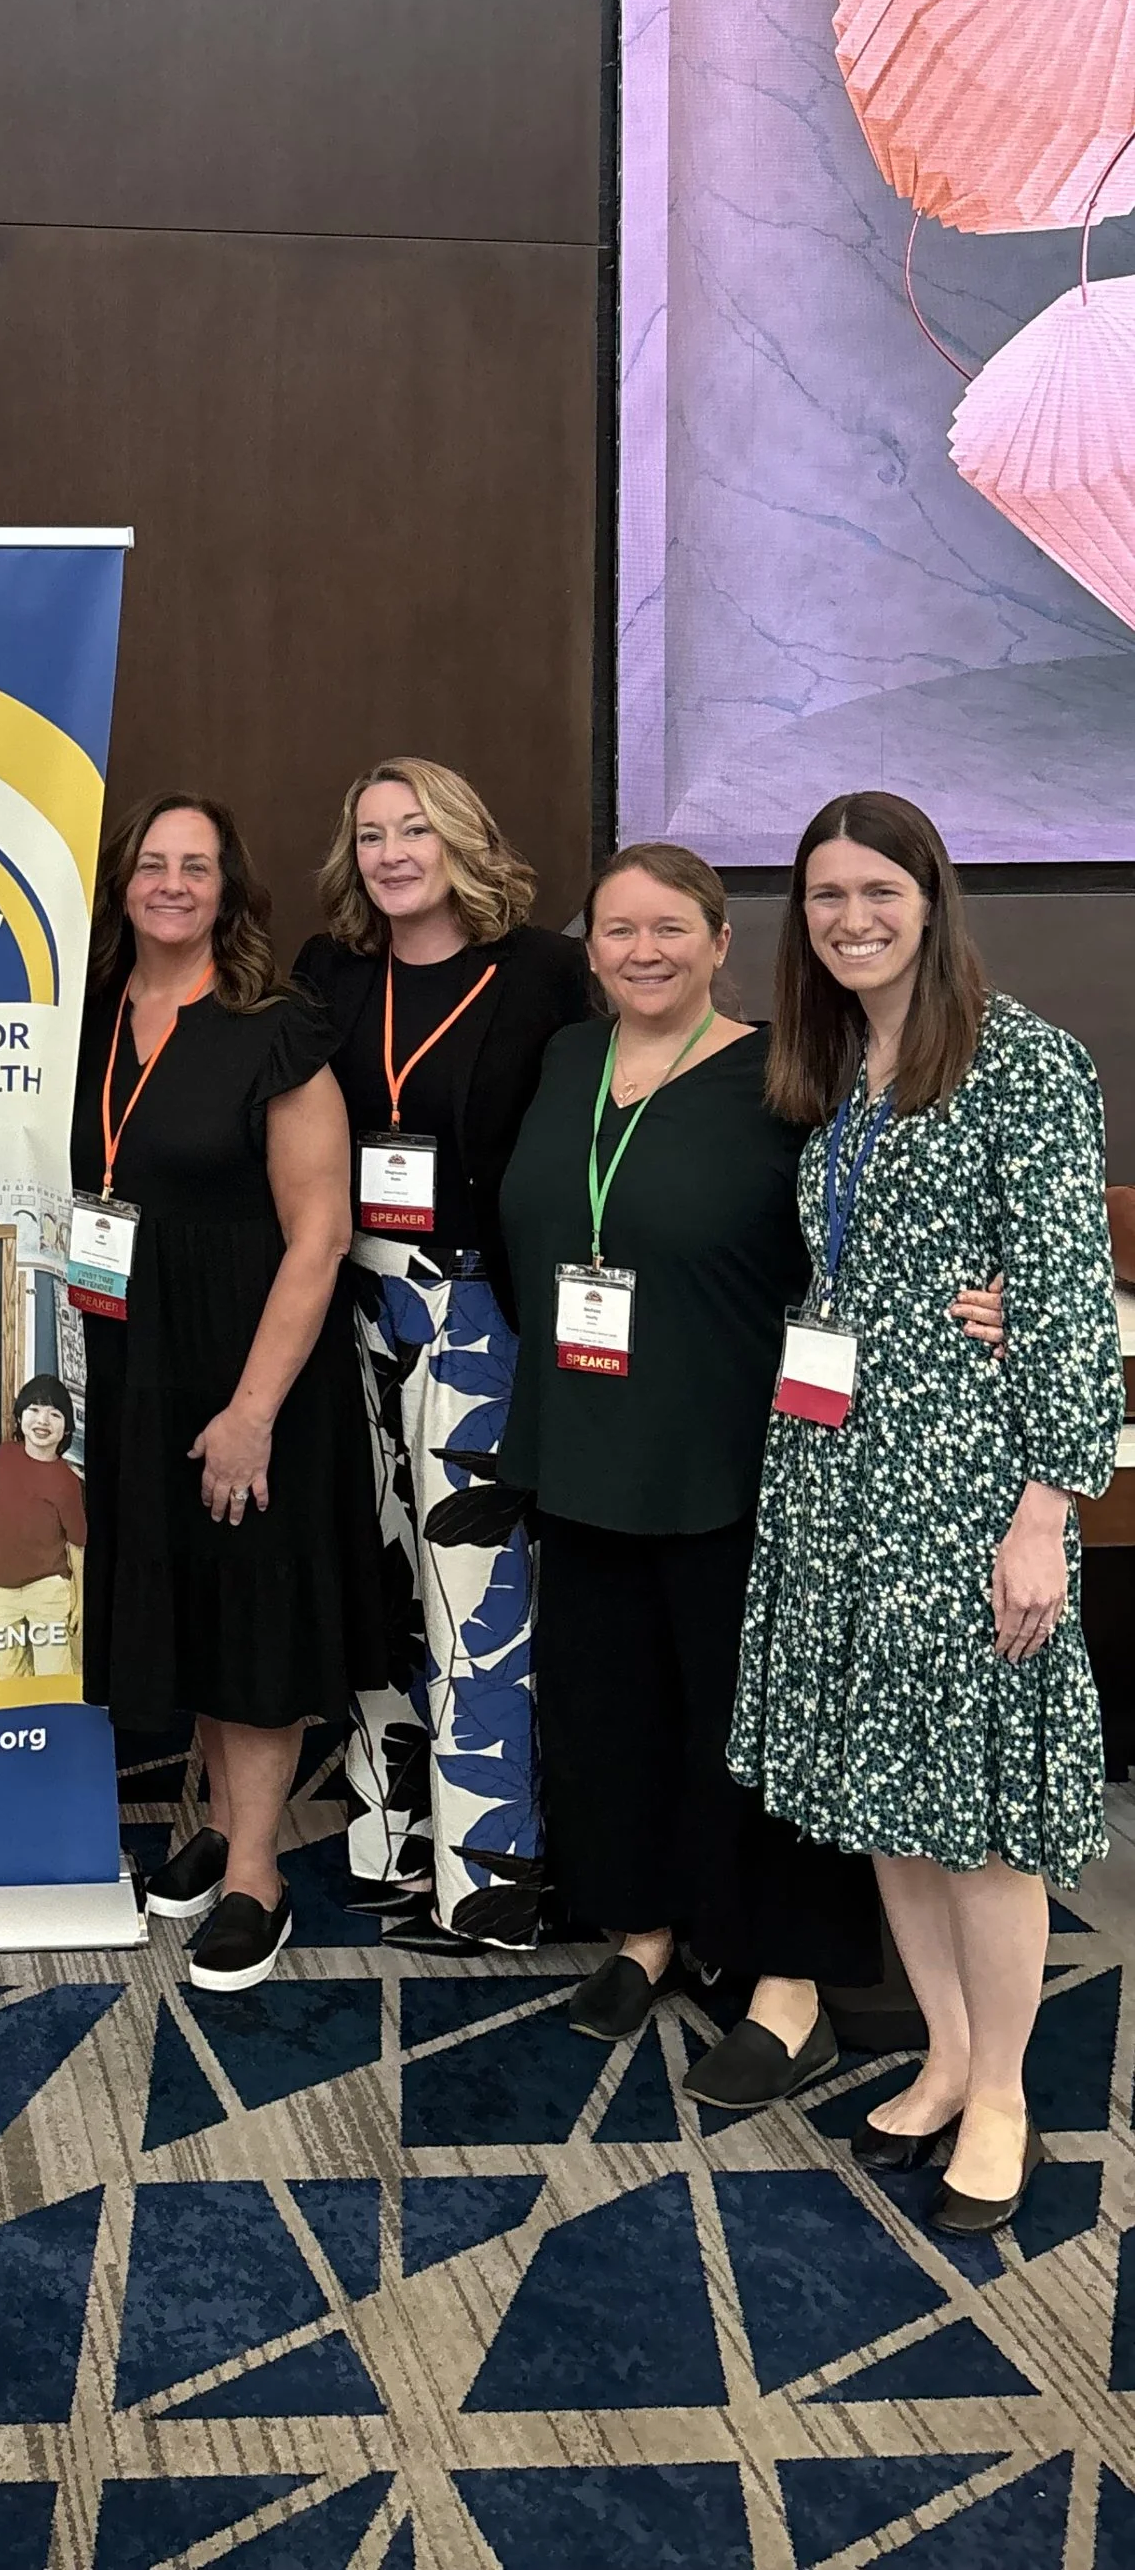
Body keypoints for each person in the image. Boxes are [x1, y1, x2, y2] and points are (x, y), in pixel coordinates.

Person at [495, 844, 985, 2101]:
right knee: (609, 1713)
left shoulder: (789, 1075)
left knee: (753, 1726)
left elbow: (877, 1227)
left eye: (670, 929)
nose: (642, 952)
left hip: (739, 1457)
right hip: (587, 1443)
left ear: (721, 942)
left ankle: (787, 1984)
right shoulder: (563, 1060)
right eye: (616, 931)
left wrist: (978, 1300)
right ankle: (645, 1930)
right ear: (588, 950)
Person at [730, 793, 1120, 2231]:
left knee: (985, 1817)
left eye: (876, 889)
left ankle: (1008, 2088)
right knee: (892, 1792)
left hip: (967, 1486)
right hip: (836, 1479)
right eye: (825, 895)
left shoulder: (1023, 1059)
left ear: (932, 895)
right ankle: (949, 2054)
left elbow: (1070, 1297)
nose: (850, 917)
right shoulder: (836, 1065)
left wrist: (1041, 1513)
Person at [75, 795, 384, 1992]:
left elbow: (319, 1235)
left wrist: (252, 1410)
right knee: (185, 1593)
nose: (169, 883)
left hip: (250, 1363)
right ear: (124, 886)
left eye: (194, 865)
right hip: (128, 1358)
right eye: (150, 864)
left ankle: (257, 1872)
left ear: (228, 889)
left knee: (250, 1606)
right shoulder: (93, 1019)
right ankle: (214, 1822)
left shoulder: (276, 1030)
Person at [297, 757, 593, 1951]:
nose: (390, 853)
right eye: (369, 834)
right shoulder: (331, 973)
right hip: (349, 1300)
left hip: (476, 1318)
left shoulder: (543, 976)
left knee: (475, 1597)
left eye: (413, 829)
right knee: (377, 1584)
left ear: (463, 838)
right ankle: (391, 1842)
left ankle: (493, 1880)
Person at [0, 1377, 88, 1681]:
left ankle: (56, 1728)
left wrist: (79, 1601)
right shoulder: (3, 1456)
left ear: (67, 1428)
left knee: (52, 1674)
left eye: (55, 1414)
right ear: (19, 1416)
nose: (43, 1420)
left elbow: (77, 1544)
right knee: (5, 1674)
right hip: (1, 1589)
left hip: (48, 1589)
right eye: (34, 1409)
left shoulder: (68, 1482)